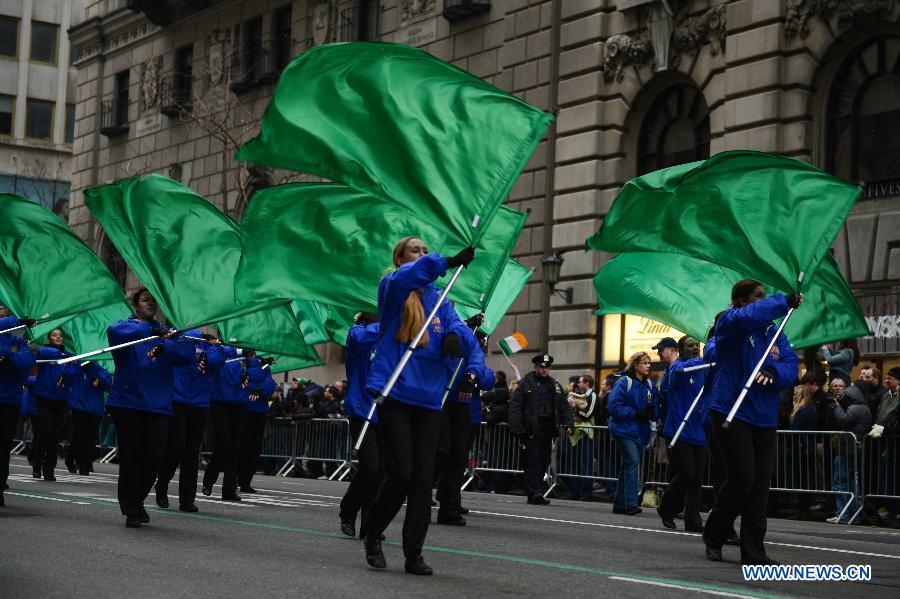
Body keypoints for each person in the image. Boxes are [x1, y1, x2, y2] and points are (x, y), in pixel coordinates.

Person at [362, 237, 479, 576]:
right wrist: (445, 261)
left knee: (423, 480)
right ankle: (372, 532)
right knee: (402, 473)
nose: (423, 255)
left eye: (426, 251)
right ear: (399, 258)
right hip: (397, 394)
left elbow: (461, 331)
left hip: (429, 398)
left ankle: (414, 552)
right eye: (416, 250)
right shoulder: (393, 289)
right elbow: (406, 278)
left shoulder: (441, 299)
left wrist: (459, 338)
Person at [702, 280, 800, 566]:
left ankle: (754, 551)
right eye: (759, 297)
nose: (765, 300)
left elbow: (790, 364)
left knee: (759, 485)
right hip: (731, 410)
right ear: (742, 301)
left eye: (766, 297)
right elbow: (744, 319)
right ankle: (715, 532)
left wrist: (774, 371)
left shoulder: (775, 331)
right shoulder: (731, 323)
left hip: (764, 415)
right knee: (743, 476)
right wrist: (784, 301)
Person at [107, 288, 196, 528]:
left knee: (154, 458)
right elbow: (114, 333)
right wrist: (150, 330)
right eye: (146, 300)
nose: (151, 304)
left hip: (158, 405)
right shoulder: (126, 327)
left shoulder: (166, 334)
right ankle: (131, 509)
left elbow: (187, 355)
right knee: (130, 458)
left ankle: (137, 500)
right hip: (128, 402)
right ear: (136, 304)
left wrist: (167, 341)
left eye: (155, 301)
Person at [155, 331, 225, 512]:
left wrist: (210, 345)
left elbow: (219, 357)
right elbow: (174, 349)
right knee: (175, 448)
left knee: (192, 452)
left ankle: (187, 499)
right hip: (177, 401)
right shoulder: (182, 338)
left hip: (200, 404)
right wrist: (186, 336)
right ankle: (161, 484)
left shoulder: (211, 347)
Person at [435, 317, 493, 526]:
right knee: (440, 453)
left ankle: (449, 506)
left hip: (463, 406)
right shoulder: (443, 330)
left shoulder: (472, 347)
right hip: (440, 400)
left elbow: (485, 376)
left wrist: (471, 376)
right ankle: (422, 501)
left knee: (458, 456)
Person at [658, 336, 709, 532]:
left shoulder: (705, 367)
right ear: (680, 349)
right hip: (679, 430)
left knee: (697, 478)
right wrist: (704, 360)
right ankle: (668, 508)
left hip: (699, 431)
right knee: (686, 473)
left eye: (697, 346)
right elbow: (677, 373)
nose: (695, 348)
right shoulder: (677, 367)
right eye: (690, 346)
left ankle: (693, 520)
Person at [509, 353, 574, 505]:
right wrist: (517, 427)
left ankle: (535, 492)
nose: (544, 370)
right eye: (542, 367)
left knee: (544, 460)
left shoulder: (554, 385)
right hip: (531, 428)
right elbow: (515, 406)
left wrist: (569, 424)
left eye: (547, 367)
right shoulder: (525, 383)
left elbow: (564, 407)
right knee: (532, 461)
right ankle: (535, 492)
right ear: (536, 367)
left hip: (548, 429)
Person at [339, 313, 382, 539]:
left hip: (386, 412)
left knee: (381, 471)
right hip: (362, 410)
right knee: (370, 467)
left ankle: (369, 521)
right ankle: (348, 509)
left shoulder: (391, 339)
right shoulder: (356, 333)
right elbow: (362, 338)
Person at [608, 351, 659, 515]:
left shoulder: (649, 385)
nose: (648, 366)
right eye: (644, 362)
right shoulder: (625, 382)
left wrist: (653, 412)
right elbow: (614, 406)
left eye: (649, 363)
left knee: (628, 465)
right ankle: (631, 503)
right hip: (623, 429)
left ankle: (620, 504)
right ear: (636, 364)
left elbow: (655, 406)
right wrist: (636, 413)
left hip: (639, 431)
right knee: (633, 462)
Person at [203, 346, 256, 502]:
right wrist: (239, 351)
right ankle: (209, 479)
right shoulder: (220, 350)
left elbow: (257, 375)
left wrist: (253, 369)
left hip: (238, 404)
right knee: (223, 444)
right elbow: (213, 360)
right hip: (220, 403)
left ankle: (229, 490)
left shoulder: (247, 355)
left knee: (234, 447)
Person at [0, 311, 36, 506]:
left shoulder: (18, 341)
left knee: (4, 445)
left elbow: (27, 361)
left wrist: (8, 357)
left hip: (10, 400)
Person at [33, 328, 79, 481]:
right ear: (49, 337)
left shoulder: (68, 356)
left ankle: (49, 469)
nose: (58, 337)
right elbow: (41, 354)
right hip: (44, 398)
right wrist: (62, 356)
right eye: (54, 335)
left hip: (60, 399)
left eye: (60, 335)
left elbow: (74, 373)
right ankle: (37, 463)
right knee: (45, 431)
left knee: (54, 435)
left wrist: (66, 371)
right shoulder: (46, 351)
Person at [827, 382, 872, 524]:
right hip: (852, 448)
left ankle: (843, 514)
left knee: (840, 482)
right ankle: (852, 515)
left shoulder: (856, 408)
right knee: (852, 484)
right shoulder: (863, 407)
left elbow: (843, 420)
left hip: (847, 449)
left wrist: (836, 407)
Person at [237, 357, 277, 493]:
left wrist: (259, 389)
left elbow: (270, 384)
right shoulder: (240, 362)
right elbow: (241, 382)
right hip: (243, 409)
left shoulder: (264, 367)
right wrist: (256, 387)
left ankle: (245, 481)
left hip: (258, 411)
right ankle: (238, 478)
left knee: (254, 448)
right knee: (242, 446)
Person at [66, 361, 112, 475]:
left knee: (90, 437)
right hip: (78, 406)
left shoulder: (99, 368)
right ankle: (71, 458)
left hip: (94, 408)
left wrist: (99, 378)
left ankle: (85, 465)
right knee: (79, 435)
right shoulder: (76, 366)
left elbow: (108, 382)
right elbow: (68, 375)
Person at [564, 374, 597, 501]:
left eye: (580, 382)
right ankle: (573, 492)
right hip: (574, 434)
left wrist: (574, 408)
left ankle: (586, 493)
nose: (578, 384)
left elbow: (588, 413)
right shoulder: (576, 394)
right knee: (573, 464)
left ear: (587, 383)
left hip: (586, 434)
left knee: (585, 465)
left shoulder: (593, 396)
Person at [788, 384, 818, 520]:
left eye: (796, 393)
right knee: (803, 480)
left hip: (802, 448)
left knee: (803, 480)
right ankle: (802, 510)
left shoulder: (804, 410)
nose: (793, 395)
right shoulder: (808, 409)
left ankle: (803, 510)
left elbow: (795, 428)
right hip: (803, 447)